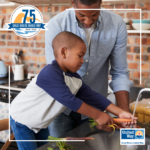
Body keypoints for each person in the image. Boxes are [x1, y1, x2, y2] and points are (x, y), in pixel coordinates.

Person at [10, 32, 136, 150]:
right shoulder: (49, 72)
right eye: (80, 55)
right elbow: (69, 100)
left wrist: (120, 112)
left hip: (39, 123)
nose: (83, 60)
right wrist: (98, 115)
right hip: (22, 120)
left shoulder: (74, 78)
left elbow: (92, 96)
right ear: (63, 52)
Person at [45, 0, 133, 137]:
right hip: (60, 110)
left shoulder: (117, 24)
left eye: (94, 14)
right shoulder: (56, 25)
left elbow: (120, 72)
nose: (88, 21)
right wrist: (98, 114)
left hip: (94, 107)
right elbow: (60, 85)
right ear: (73, 3)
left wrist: (123, 114)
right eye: (81, 15)